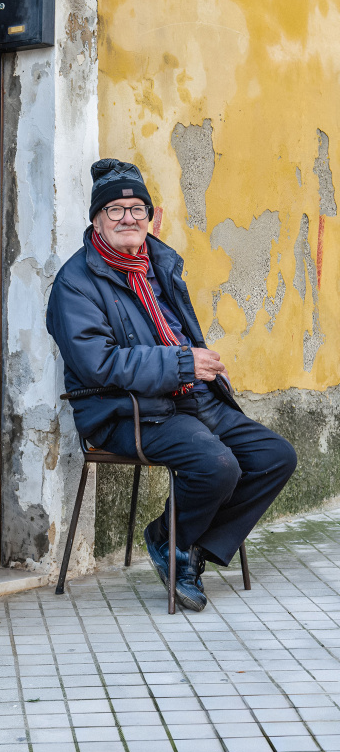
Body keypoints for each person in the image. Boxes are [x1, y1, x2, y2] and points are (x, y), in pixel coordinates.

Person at [46, 159, 297, 611]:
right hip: (127, 410)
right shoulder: (75, 283)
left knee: (275, 457)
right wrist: (183, 364)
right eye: (116, 209)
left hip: (190, 398)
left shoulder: (157, 262)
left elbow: (176, 331)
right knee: (218, 466)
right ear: (97, 219)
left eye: (137, 208)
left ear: (149, 214)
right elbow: (98, 364)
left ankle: (189, 547)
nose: (128, 217)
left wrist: (203, 367)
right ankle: (168, 539)